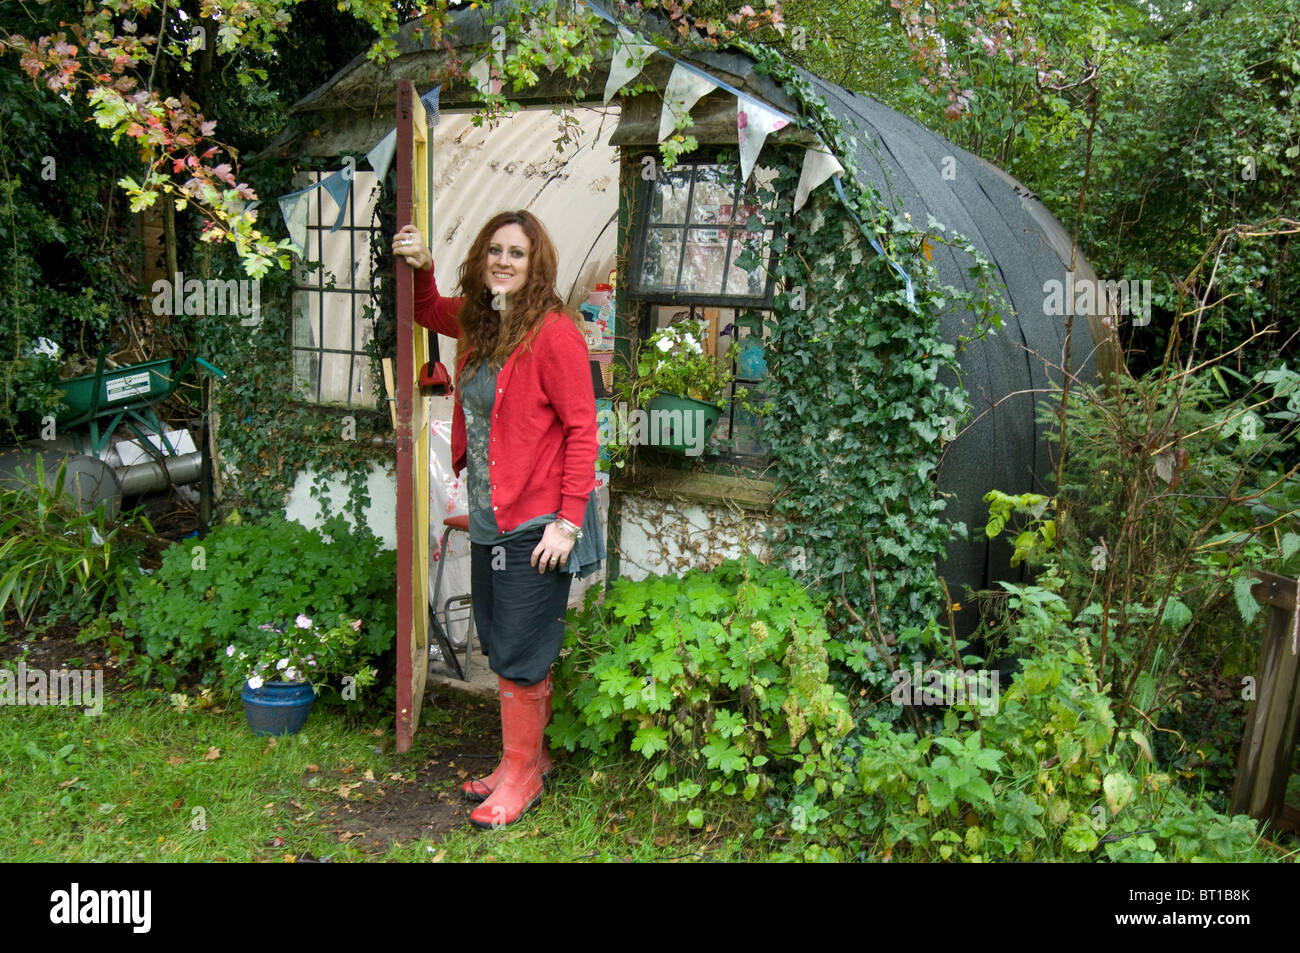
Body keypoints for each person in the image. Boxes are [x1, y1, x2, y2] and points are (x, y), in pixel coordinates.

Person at [391, 211, 599, 829]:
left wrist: (568, 522)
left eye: (518, 253)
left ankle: (522, 774)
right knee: (501, 634)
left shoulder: (555, 334)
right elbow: (426, 307)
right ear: (484, 258)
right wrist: (422, 262)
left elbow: (585, 432)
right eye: (496, 252)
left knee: (517, 646)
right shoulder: (482, 323)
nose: (505, 261)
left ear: (537, 265)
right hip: (490, 516)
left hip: (538, 522)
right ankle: (526, 760)